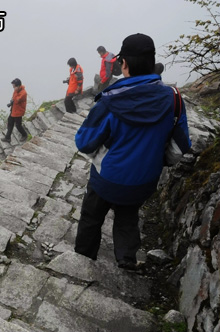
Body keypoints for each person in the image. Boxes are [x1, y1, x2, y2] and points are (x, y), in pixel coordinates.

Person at [74, 33, 191, 270]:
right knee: (128, 216)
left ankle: (83, 260)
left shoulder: (109, 101)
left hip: (106, 179)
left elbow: (84, 142)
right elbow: (180, 147)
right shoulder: (174, 99)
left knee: (92, 216)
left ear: (124, 63)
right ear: (151, 61)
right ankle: (126, 259)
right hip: (143, 182)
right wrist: (153, 161)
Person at [1, 78, 28, 143]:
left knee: (18, 125)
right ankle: (7, 137)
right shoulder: (16, 90)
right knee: (10, 123)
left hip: (18, 111)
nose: (13, 88)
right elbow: (13, 98)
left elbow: (17, 100)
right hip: (13, 110)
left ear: (18, 86)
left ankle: (24, 135)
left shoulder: (23, 93)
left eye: (14, 87)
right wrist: (11, 102)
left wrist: (13, 100)